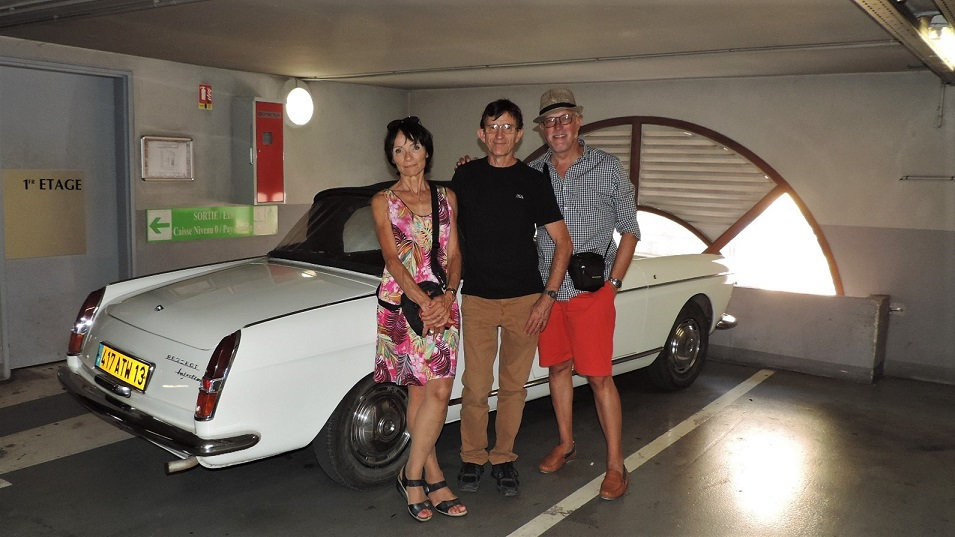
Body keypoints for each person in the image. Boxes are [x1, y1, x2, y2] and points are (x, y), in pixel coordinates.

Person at [451, 99, 572, 497]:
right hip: (478, 298)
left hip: (525, 300)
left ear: (520, 135)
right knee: (475, 386)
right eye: (493, 127)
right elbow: (446, 235)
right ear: (481, 134)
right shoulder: (465, 177)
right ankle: (472, 457)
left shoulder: (533, 181)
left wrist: (547, 298)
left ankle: (503, 457)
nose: (499, 134)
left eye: (507, 127)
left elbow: (563, 243)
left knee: (513, 387)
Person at [528, 88, 640, 501]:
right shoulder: (534, 172)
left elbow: (630, 230)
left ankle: (616, 464)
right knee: (558, 368)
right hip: (549, 292)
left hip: (592, 292)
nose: (557, 127)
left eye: (564, 119)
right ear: (542, 129)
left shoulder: (606, 167)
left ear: (578, 122)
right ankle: (566, 443)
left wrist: (614, 285)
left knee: (598, 377)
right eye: (549, 121)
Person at [372, 116, 467, 521]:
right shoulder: (383, 201)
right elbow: (392, 259)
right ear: (392, 158)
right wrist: (423, 302)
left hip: (443, 301)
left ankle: (409, 474)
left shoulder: (447, 197)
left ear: (426, 151)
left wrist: (446, 297)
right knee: (418, 392)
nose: (407, 156)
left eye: (413, 146)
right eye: (398, 149)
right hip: (403, 302)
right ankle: (432, 475)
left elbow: (455, 253)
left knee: (440, 392)